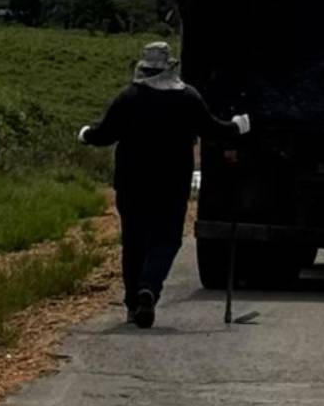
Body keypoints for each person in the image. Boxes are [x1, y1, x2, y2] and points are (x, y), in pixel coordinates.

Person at [80, 42, 251, 329]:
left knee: (133, 242)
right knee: (166, 239)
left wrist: (85, 134)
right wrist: (238, 126)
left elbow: (104, 134)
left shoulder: (129, 97)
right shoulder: (188, 98)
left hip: (131, 184)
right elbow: (213, 129)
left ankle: (133, 303)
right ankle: (149, 287)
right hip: (171, 186)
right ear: (170, 68)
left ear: (143, 69)